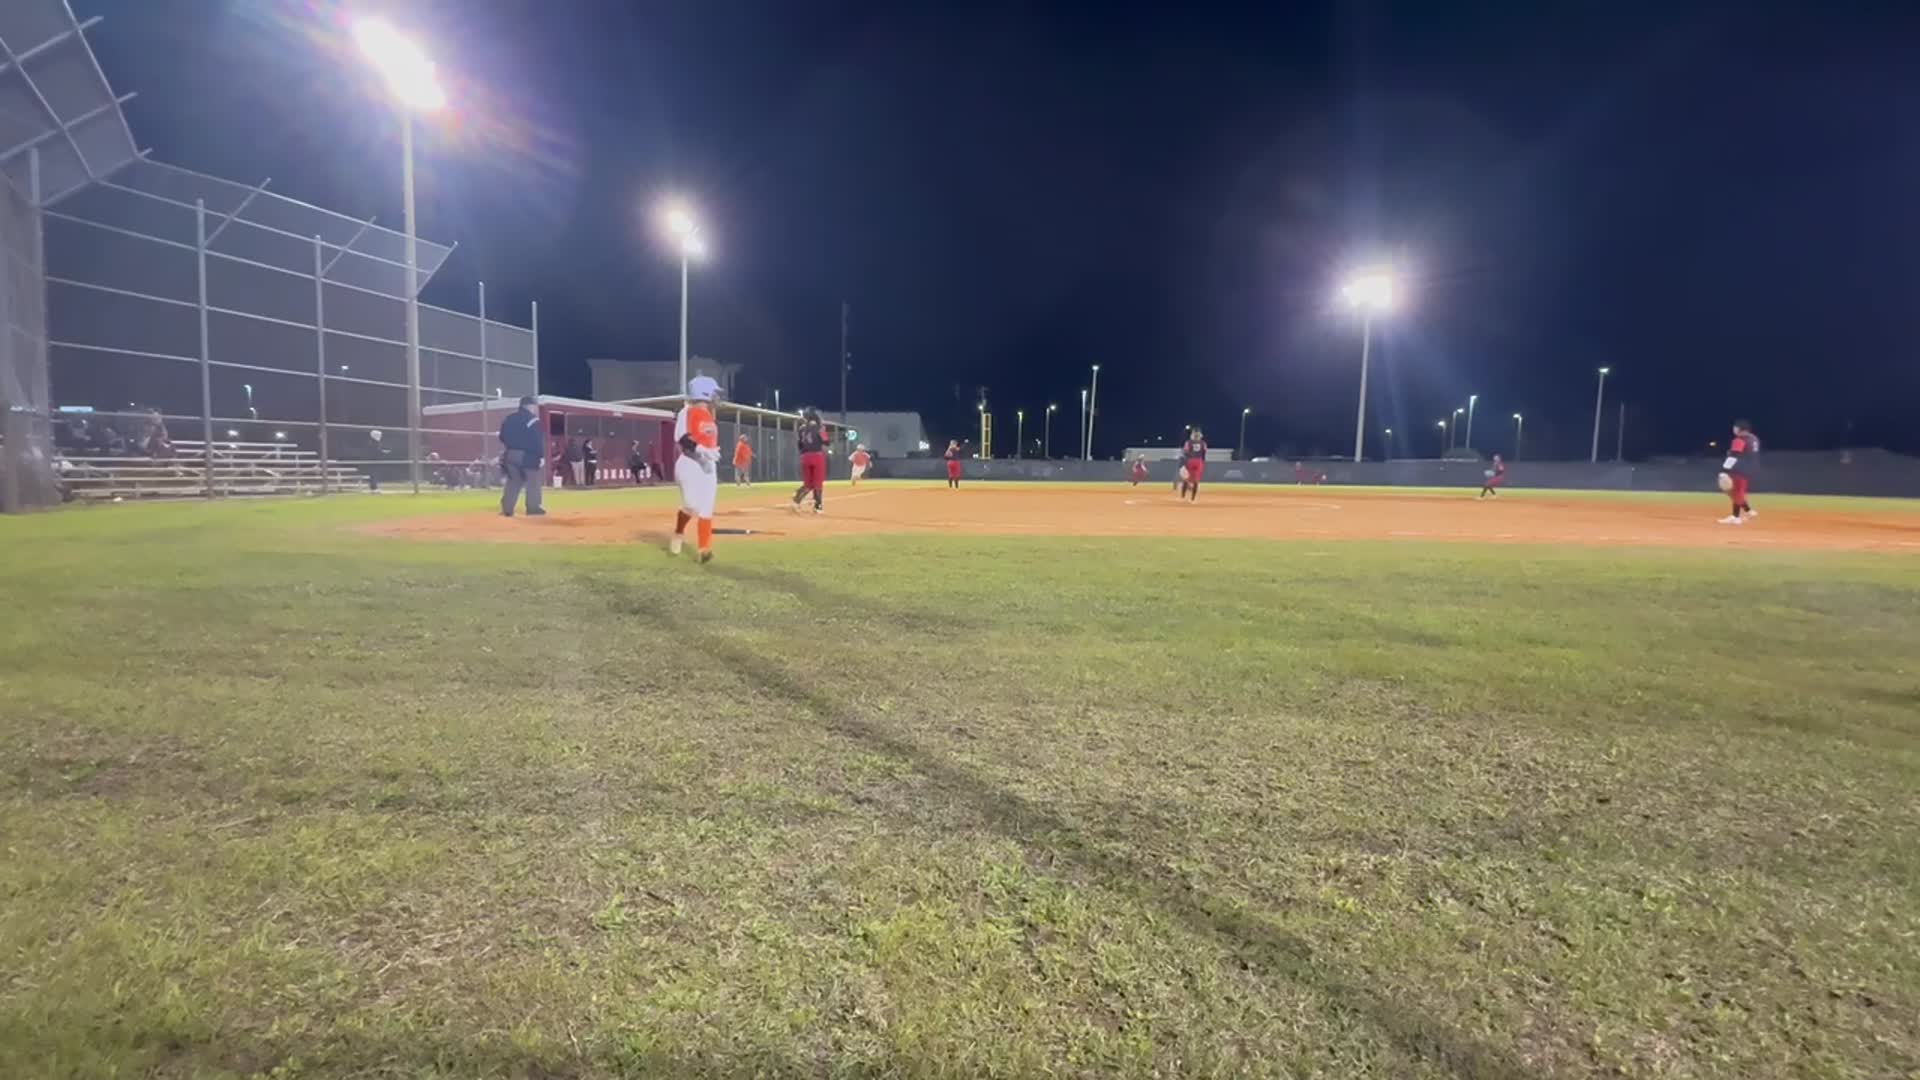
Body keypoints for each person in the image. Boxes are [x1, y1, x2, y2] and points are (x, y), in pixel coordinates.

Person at [671, 376, 723, 561]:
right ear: (705, 392)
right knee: (691, 505)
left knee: (706, 509)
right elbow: (682, 438)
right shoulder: (687, 411)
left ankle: (704, 549)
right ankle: (678, 532)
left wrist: (712, 452)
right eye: (714, 392)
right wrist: (701, 449)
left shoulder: (709, 413)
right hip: (689, 463)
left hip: (708, 466)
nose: (717, 396)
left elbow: (708, 438)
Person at [498, 395, 546, 517]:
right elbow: (537, 440)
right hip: (527, 455)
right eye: (534, 406)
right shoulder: (533, 420)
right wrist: (541, 456)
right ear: (529, 406)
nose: (535, 408)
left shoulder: (509, 419)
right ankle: (533, 508)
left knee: (513, 481)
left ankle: (507, 509)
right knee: (533, 481)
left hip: (510, 453)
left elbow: (502, 437)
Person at [1719, 419, 1759, 524]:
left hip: (1738, 469)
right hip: (1750, 468)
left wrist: (1725, 470)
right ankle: (1747, 512)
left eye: (1735, 428)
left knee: (1734, 492)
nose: (1734, 429)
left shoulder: (1740, 440)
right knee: (1736, 491)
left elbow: (1734, 455)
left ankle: (1736, 517)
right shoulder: (1753, 439)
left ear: (1740, 429)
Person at [791, 408, 828, 513]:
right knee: (817, 483)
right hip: (817, 456)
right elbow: (826, 442)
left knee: (808, 484)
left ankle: (797, 498)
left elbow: (799, 444)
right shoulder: (820, 428)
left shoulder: (801, 428)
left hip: (805, 457)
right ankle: (818, 506)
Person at [1178, 427, 1207, 501]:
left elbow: (1186, 452)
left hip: (1190, 461)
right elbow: (1204, 454)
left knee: (1185, 479)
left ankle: (1183, 497)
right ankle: (1193, 499)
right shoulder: (1203, 443)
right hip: (1199, 461)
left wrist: (1183, 463)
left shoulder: (1188, 442)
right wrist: (1202, 462)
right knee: (1196, 481)